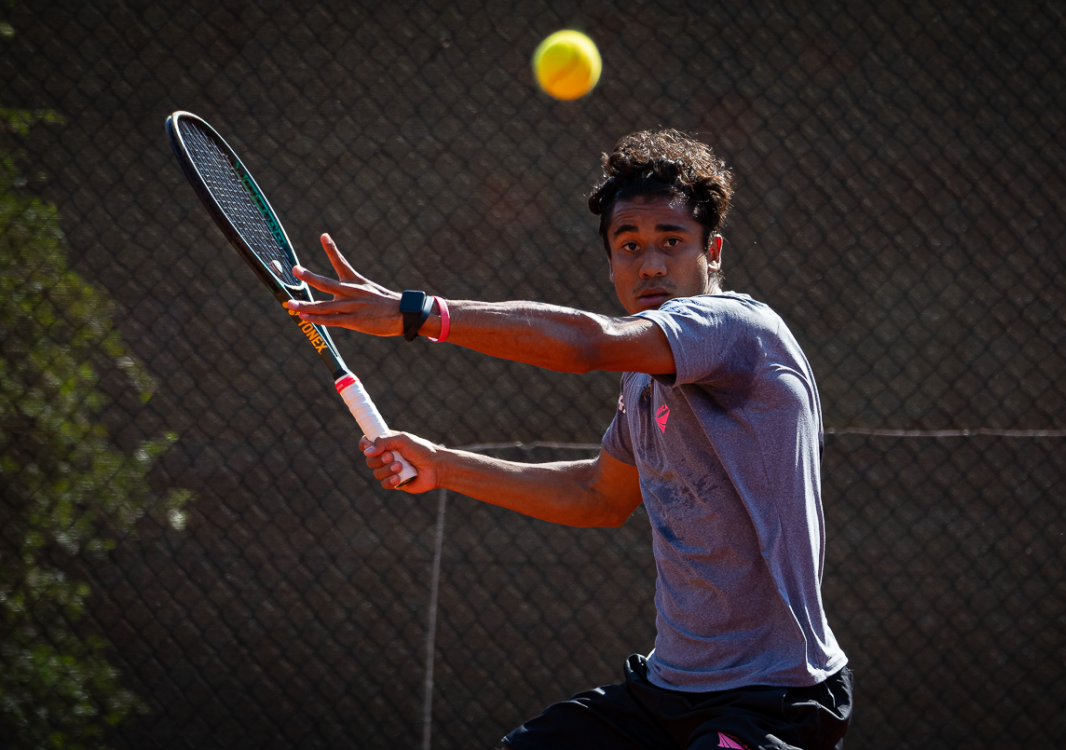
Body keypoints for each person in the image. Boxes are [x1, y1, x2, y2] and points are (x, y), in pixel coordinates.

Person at [285, 130, 852, 750]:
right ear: (610, 263)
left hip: (773, 699)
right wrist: (443, 466)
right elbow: (596, 496)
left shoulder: (736, 329)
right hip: (665, 693)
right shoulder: (646, 381)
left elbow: (589, 344)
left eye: (672, 242)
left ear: (711, 252)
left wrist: (419, 313)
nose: (651, 263)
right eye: (629, 245)